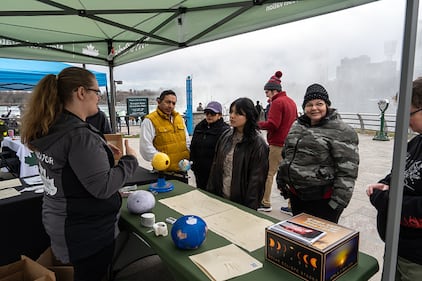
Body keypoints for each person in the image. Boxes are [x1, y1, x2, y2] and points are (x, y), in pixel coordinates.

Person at [20, 66, 139, 281]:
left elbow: (68, 172)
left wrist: (99, 151)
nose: (98, 98)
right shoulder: (78, 135)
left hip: (62, 221)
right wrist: (130, 161)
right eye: (96, 92)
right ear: (81, 92)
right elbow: (102, 187)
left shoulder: (51, 126)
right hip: (86, 233)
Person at [276, 83, 359, 223]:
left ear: (327, 105)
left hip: (323, 201)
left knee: (321, 242)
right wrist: (282, 180)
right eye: (309, 104)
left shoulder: (342, 131)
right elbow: (287, 155)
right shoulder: (297, 125)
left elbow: (347, 172)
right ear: (304, 107)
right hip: (297, 196)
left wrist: (336, 205)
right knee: (300, 236)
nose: (314, 108)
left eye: (319, 103)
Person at [366, 77, 422, 280]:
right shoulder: (415, 142)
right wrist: (385, 183)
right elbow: (399, 173)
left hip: (417, 260)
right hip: (397, 247)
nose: (405, 120)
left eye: (410, 113)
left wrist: (387, 200)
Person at [206, 97, 269, 210]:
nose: (232, 116)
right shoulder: (226, 136)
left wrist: (249, 209)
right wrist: (211, 195)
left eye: (238, 113)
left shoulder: (257, 144)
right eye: (231, 112)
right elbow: (215, 168)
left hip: (241, 204)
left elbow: (256, 183)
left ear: (249, 116)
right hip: (220, 198)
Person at [257, 70, 297, 212]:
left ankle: (265, 202)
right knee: (288, 175)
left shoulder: (277, 102)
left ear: (274, 91)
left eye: (267, 92)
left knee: (269, 173)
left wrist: (258, 124)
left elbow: (273, 124)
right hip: (290, 144)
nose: (266, 95)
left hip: (277, 144)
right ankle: (292, 206)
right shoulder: (291, 102)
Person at [139, 89, 190, 182]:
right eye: (168, 102)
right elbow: (145, 148)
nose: (171, 106)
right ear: (158, 102)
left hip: (182, 172)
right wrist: (162, 161)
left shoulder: (180, 119)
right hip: (163, 174)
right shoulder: (150, 121)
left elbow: (186, 142)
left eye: (173, 103)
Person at [190, 101, 230, 189]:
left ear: (220, 115)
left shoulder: (225, 130)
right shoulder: (199, 127)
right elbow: (193, 146)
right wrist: (193, 163)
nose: (209, 115)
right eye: (207, 113)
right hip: (199, 171)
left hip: (215, 173)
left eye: (212, 113)